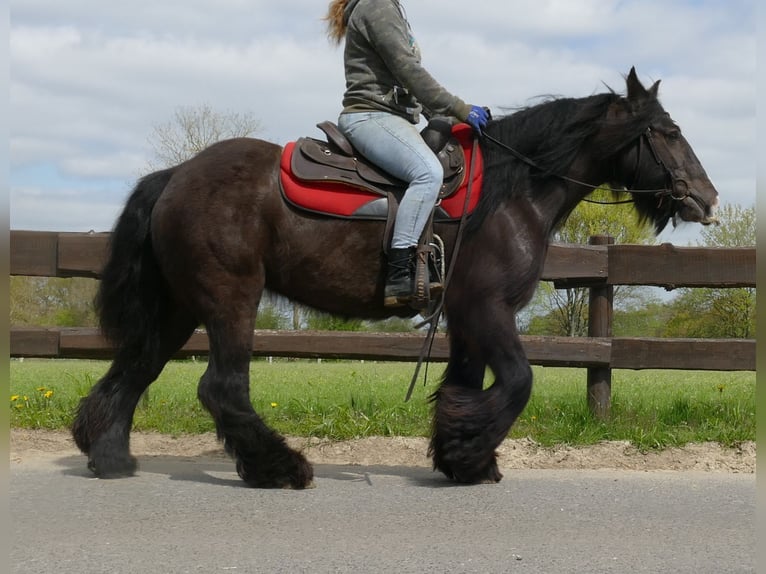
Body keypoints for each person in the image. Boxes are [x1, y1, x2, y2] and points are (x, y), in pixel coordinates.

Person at [325, 0, 489, 307]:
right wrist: (460, 108)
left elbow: (405, 84)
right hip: (370, 117)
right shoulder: (376, 6)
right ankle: (400, 271)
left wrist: (450, 117)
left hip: (393, 119)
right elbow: (408, 70)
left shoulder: (391, 8)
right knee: (428, 173)